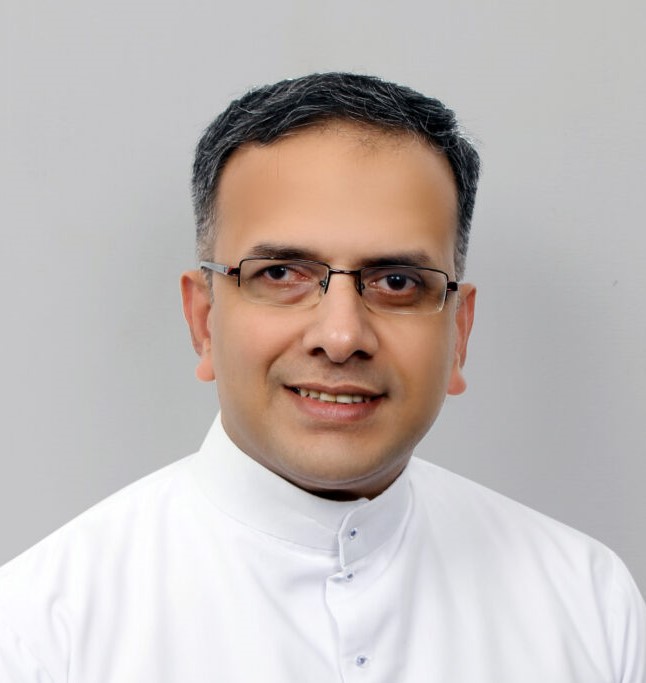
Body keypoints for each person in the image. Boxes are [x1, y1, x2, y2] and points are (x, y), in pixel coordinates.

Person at [0, 73, 644, 681]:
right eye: (281, 274)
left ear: (460, 333)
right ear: (203, 320)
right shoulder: (42, 629)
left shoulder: (586, 602)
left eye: (398, 282)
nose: (340, 337)